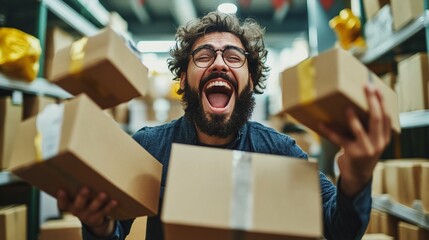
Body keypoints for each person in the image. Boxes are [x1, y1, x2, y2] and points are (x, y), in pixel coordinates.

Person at [57, 11, 392, 240]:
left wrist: (357, 178)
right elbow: (115, 231)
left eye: (233, 57)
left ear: (251, 79)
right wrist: (99, 227)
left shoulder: (280, 152)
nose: (218, 63)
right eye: (203, 56)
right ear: (183, 78)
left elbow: (340, 229)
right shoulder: (149, 149)